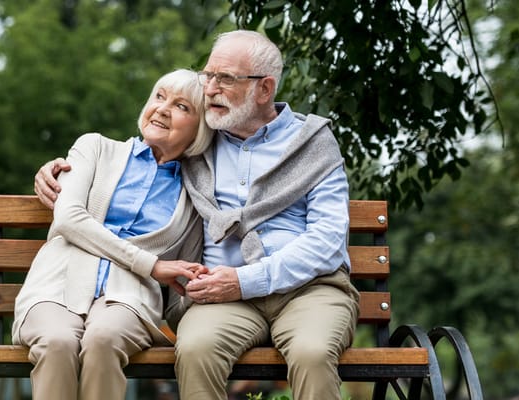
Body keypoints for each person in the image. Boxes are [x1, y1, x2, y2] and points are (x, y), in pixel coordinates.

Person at [32, 30, 360, 399]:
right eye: (208, 75)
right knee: (194, 349)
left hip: (308, 289)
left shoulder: (312, 143)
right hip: (223, 298)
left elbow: (329, 240)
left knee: (312, 353)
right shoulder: (201, 144)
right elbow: (146, 150)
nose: (211, 88)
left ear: (265, 89)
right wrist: (59, 169)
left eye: (226, 79)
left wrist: (245, 279)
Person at [12, 68, 214, 400]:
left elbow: (182, 290)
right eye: (159, 97)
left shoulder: (194, 194)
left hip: (129, 299)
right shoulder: (94, 148)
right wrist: (152, 266)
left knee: (103, 339)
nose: (163, 108)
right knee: (58, 341)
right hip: (56, 284)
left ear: (200, 129)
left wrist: (205, 320)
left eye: (182, 106)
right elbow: (68, 217)